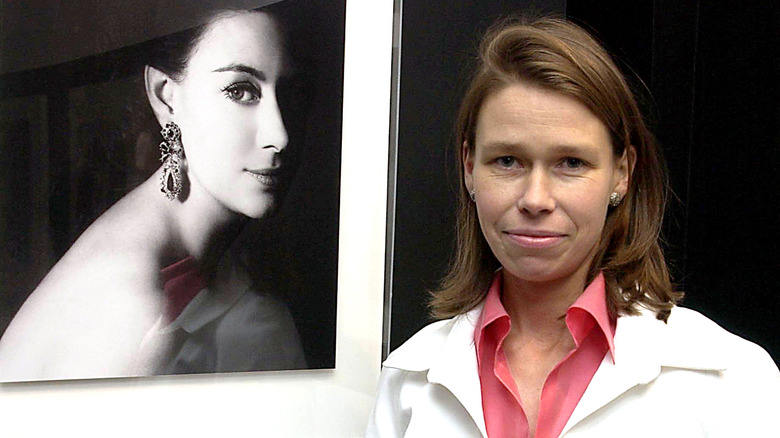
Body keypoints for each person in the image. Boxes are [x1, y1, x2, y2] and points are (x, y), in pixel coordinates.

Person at [367, 16, 779, 437]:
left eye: (571, 163)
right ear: (469, 168)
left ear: (622, 173)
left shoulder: (732, 380)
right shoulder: (409, 378)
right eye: (507, 161)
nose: (535, 199)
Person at [0, 8, 308, 381]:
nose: (280, 135)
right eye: (240, 90)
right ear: (166, 97)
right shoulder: (133, 309)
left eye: (289, 92)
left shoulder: (181, 248)